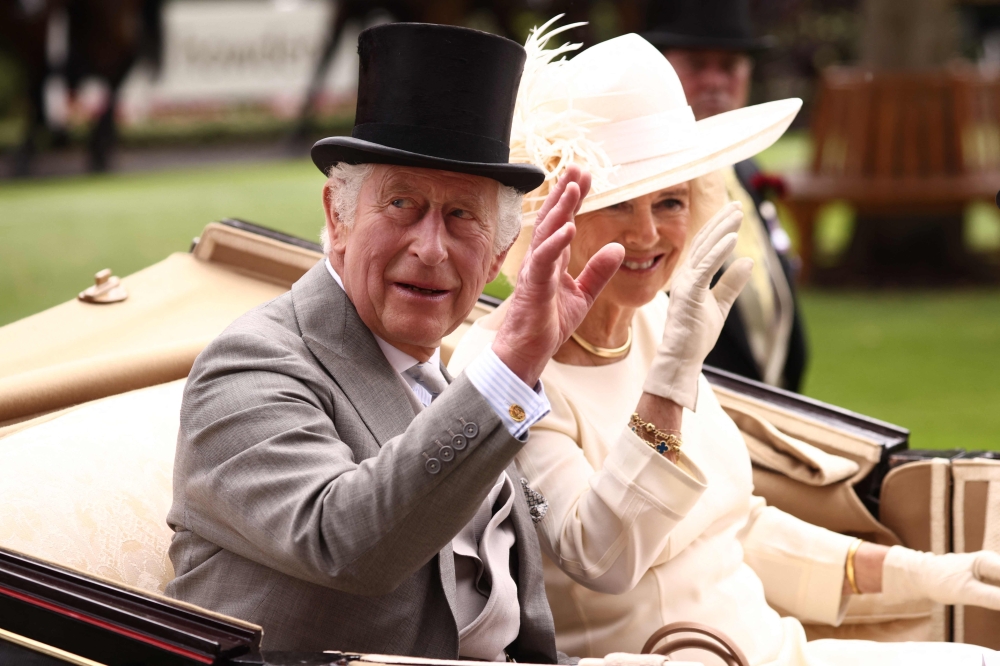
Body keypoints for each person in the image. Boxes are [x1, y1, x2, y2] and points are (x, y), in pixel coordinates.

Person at [450, 29, 1000, 666]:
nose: (650, 233)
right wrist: (669, 384)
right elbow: (599, 555)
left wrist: (922, 573)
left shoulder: (656, 320)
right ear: (554, 215)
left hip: (774, 649)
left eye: (671, 201)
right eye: (620, 204)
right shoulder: (502, 370)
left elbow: (733, 524)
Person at [165, 23, 629, 657]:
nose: (431, 248)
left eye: (462, 215)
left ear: (496, 252)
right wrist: (511, 369)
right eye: (402, 204)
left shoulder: (438, 377)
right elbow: (348, 544)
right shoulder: (250, 365)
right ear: (337, 217)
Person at [643, 0, 807, 392]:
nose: (715, 81)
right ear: (662, 71)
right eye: (698, 66)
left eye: (730, 66)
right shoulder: (643, 186)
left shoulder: (747, 170)